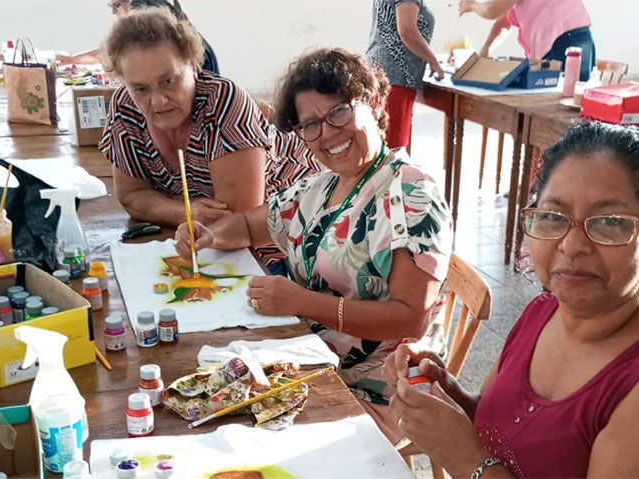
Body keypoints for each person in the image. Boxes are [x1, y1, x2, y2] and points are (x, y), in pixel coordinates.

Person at [384, 122, 639, 477]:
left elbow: (482, 458)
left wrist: (467, 460)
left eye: (609, 221)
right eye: (552, 216)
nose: (572, 245)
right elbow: (504, 433)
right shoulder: (545, 310)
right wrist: (449, 394)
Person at [173, 48, 453, 442]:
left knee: (247, 439)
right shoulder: (322, 187)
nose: (328, 133)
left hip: (381, 388)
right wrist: (208, 234)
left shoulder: (410, 195)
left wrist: (301, 302)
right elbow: (250, 226)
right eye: (310, 124)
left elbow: (411, 319)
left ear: (374, 102)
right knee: (202, 405)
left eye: (339, 111)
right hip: (314, 360)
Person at [98, 8, 321, 274]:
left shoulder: (223, 105)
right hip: (198, 241)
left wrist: (164, 203)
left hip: (285, 239)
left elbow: (237, 221)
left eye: (168, 81)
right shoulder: (124, 108)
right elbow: (132, 197)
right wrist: (187, 211)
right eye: (140, 89)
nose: (157, 101)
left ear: (193, 66)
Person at [57, 0, 219, 74]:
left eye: (116, 6)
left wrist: (73, 60)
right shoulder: (148, 4)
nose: (114, 12)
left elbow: (113, 52)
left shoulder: (141, 9)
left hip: (199, 69)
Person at [366, 0, 445, 151]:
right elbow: (407, 32)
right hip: (395, 77)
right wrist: (433, 61)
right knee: (392, 149)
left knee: (380, 146)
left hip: (382, 74)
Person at [459, 0, 596, 81]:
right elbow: (502, 24)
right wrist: (485, 51)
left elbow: (491, 10)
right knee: (569, 106)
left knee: (558, 107)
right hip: (577, 38)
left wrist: (471, 5)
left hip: (564, 42)